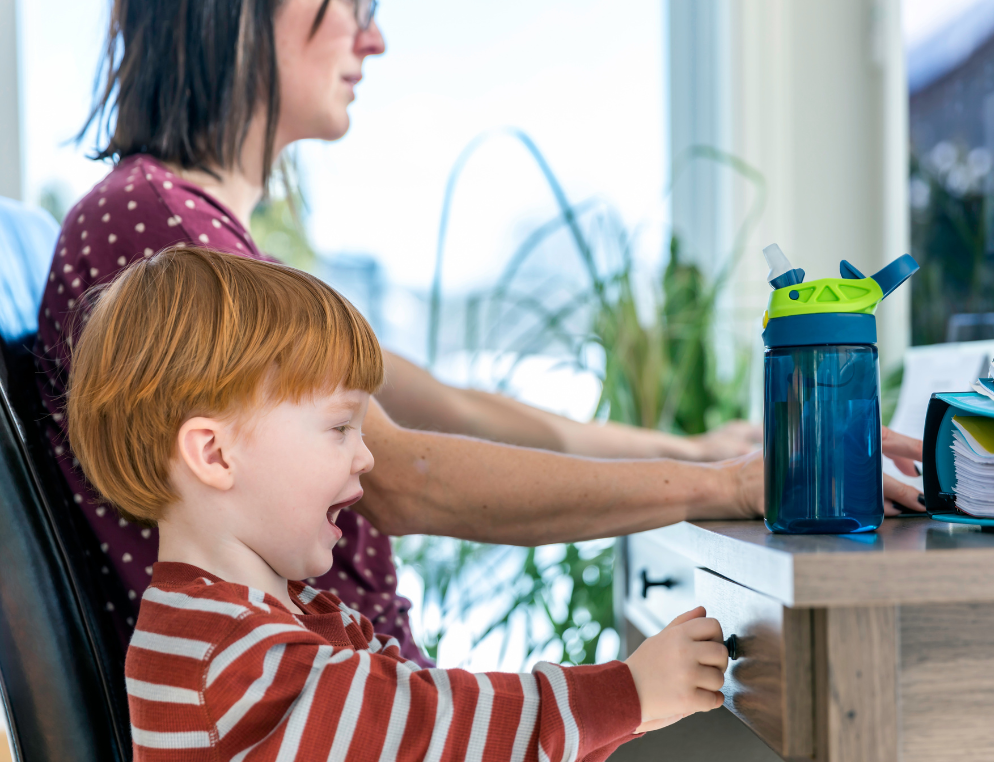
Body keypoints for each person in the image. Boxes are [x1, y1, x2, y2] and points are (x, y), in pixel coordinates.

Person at [36, 0, 926, 664]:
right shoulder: (162, 239)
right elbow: (407, 477)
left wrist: (692, 446)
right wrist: (720, 484)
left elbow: (450, 409)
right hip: (315, 716)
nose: (373, 38)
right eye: (353, 7)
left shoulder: (206, 237)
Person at [67, 246, 731, 761]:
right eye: (338, 429)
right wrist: (628, 693)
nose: (366, 457)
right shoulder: (234, 660)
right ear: (214, 455)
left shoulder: (250, 622)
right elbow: (428, 729)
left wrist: (631, 708)